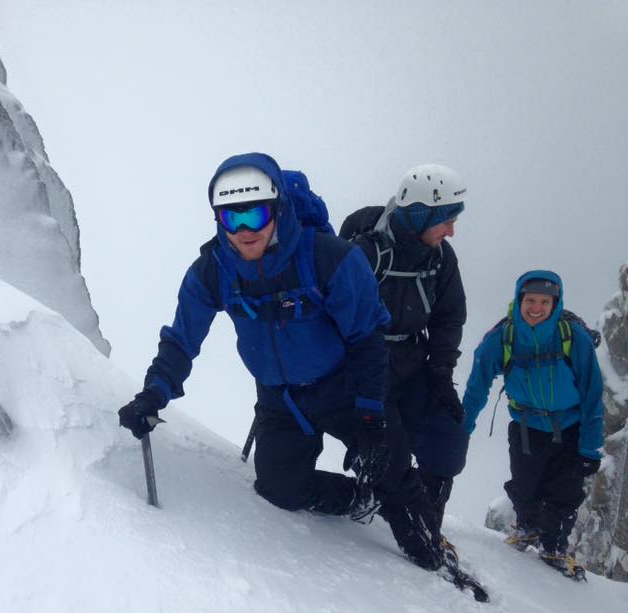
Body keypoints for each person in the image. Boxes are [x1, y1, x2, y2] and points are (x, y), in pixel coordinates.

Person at [118, 152, 446, 570]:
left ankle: (431, 555)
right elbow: (182, 340)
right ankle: (360, 498)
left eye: (254, 216)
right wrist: (154, 392)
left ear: (277, 209)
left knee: (391, 469)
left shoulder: (331, 259)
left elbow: (367, 340)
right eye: (230, 219)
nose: (243, 231)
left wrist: (371, 420)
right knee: (280, 490)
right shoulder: (213, 272)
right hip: (280, 399)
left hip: (343, 387)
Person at [338, 164, 470, 552]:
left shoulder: (440, 258)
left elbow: (450, 316)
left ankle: (429, 520)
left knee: (448, 440)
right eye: (445, 220)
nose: (451, 231)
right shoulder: (367, 252)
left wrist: (442, 373)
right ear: (419, 214)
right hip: (366, 367)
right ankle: (410, 529)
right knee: (387, 450)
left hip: (414, 362)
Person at [462, 271, 604, 577]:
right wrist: (463, 427)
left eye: (544, 301)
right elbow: (477, 385)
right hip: (527, 428)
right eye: (530, 300)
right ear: (519, 300)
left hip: (571, 429)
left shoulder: (572, 337)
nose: (536, 307)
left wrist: (590, 449)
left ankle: (554, 546)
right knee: (524, 487)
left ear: (555, 303)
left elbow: (593, 394)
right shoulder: (504, 337)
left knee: (565, 492)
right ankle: (526, 528)